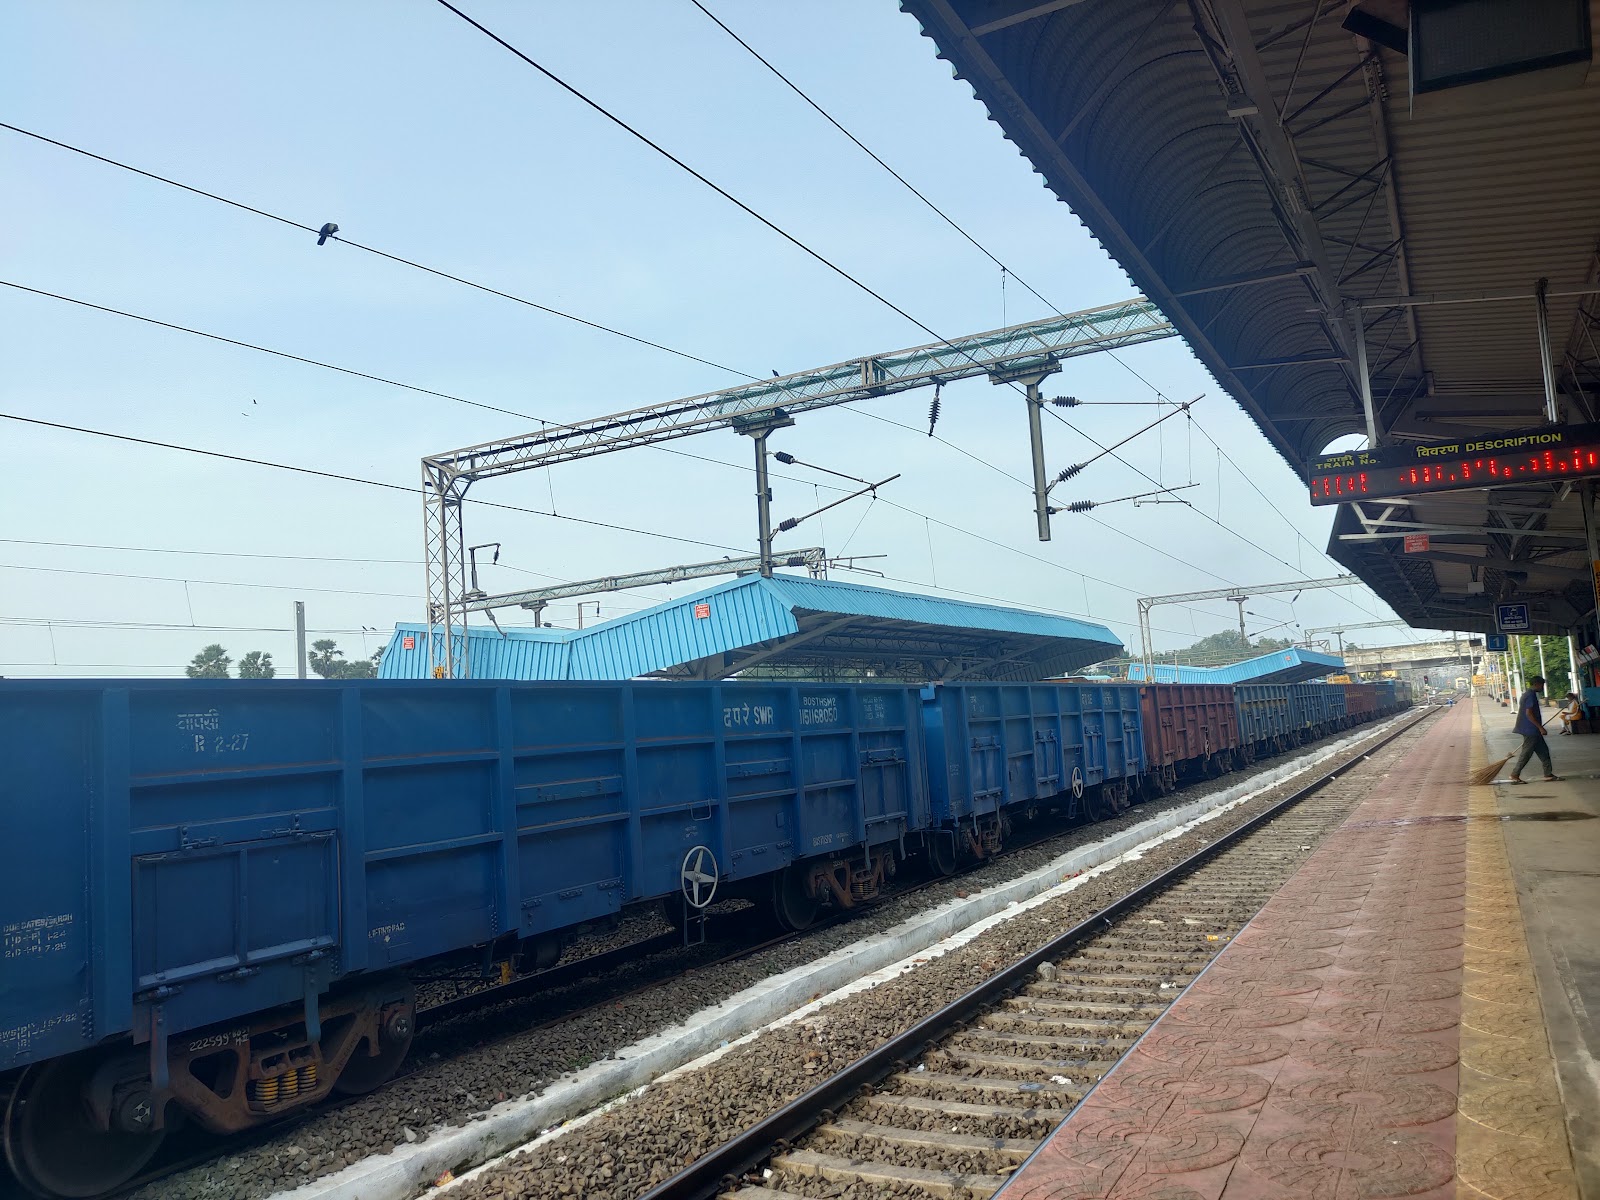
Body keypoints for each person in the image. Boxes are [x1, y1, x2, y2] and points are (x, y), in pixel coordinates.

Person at [1509, 675, 1560, 783]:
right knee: (1526, 753)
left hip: (1532, 730)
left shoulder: (1527, 694)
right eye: (1542, 685)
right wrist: (1540, 727)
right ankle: (1515, 774)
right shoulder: (1530, 696)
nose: (1542, 688)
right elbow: (1529, 714)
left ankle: (1548, 774)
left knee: (1544, 752)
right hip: (1530, 730)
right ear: (1537, 684)